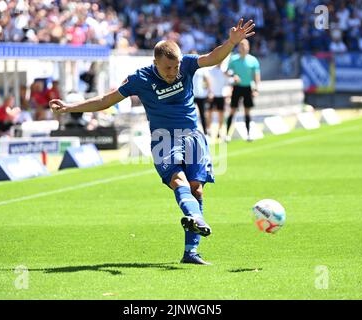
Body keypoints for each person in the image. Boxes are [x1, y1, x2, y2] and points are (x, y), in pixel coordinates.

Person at [49, 18, 255, 265]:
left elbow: (212, 58)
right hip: (164, 139)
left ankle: (191, 252)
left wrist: (232, 42)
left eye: (176, 67)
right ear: (155, 62)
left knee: (197, 188)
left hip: (193, 137)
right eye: (168, 68)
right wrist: (71, 107)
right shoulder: (140, 79)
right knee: (178, 181)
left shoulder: (187, 65)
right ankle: (195, 217)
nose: (173, 72)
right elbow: (106, 100)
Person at [226, 39, 261, 141]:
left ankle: (248, 134)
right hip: (237, 87)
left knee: (247, 111)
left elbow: (256, 76)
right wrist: (233, 76)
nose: (243, 48)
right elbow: (228, 72)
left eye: (245, 46)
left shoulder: (253, 60)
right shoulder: (233, 59)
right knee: (232, 110)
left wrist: (256, 89)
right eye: (241, 46)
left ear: (248, 47)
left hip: (248, 88)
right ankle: (227, 134)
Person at [207, 62, 230, 141]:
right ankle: (208, 130)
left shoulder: (225, 71)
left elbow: (228, 83)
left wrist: (228, 94)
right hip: (213, 95)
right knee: (209, 112)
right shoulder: (210, 70)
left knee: (221, 113)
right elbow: (207, 82)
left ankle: (219, 131)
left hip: (222, 95)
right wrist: (209, 92)